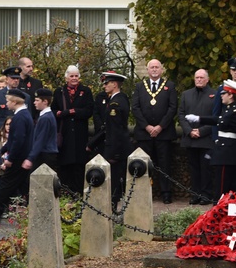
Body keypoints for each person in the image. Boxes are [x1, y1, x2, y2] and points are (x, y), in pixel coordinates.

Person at [186, 80, 236, 198]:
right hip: (225, 151)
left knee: (223, 188)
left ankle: (223, 209)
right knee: (231, 186)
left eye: (224, 93)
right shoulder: (230, 109)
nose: (221, 95)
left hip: (228, 153)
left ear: (231, 95)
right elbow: (219, 120)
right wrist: (199, 118)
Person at [130, 59, 178, 203]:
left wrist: (160, 126)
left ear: (161, 70)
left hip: (164, 133)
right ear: (148, 70)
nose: (155, 70)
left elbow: (172, 108)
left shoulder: (169, 86)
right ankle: (144, 193)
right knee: (144, 164)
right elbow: (136, 108)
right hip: (144, 133)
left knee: (165, 164)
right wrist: (147, 126)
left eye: (157, 67)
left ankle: (166, 193)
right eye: (152, 67)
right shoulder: (139, 86)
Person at [90, 71, 131, 211]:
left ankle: (112, 207)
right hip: (114, 146)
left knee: (114, 180)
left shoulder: (116, 103)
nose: (104, 86)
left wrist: (114, 153)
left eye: (107, 83)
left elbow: (115, 130)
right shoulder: (117, 99)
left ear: (114, 84)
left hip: (115, 148)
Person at [50, 65, 93, 194]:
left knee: (79, 166)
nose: (74, 78)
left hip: (80, 134)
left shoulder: (85, 91)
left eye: (76, 76)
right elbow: (53, 110)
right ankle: (65, 193)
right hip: (65, 134)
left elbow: (89, 110)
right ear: (66, 77)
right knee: (65, 166)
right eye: (71, 76)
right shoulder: (59, 92)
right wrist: (60, 113)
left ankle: (78, 194)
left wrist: (73, 111)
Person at [0, 88, 35, 219]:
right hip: (21, 157)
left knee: (5, 185)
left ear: (14, 101)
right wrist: (2, 151)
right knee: (21, 186)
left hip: (18, 158)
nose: (6, 104)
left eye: (7, 101)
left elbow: (18, 140)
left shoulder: (20, 117)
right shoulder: (23, 115)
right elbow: (13, 140)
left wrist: (10, 158)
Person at [178, 70, 216, 205]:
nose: (199, 80)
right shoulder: (186, 94)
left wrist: (201, 131)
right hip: (190, 138)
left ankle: (206, 194)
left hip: (206, 138)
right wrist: (189, 131)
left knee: (206, 169)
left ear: (207, 79)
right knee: (193, 168)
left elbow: (216, 117)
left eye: (202, 77)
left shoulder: (215, 95)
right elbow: (181, 115)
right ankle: (195, 194)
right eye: (197, 77)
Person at [23, 87, 58, 171]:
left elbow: (41, 139)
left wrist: (30, 158)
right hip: (45, 153)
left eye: (37, 100)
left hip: (45, 154)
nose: (34, 103)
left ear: (45, 102)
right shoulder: (45, 116)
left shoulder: (46, 118)